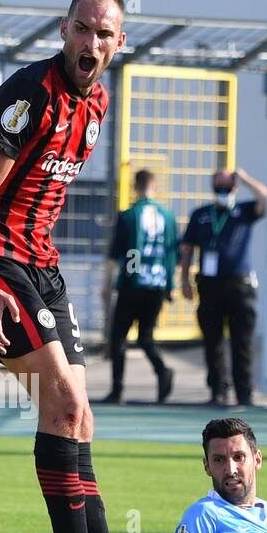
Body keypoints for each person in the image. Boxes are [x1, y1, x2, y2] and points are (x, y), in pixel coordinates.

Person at [0, 0, 190, 533]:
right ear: (64, 30)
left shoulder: (98, 103)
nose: (91, 43)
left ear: (119, 43)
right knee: (64, 401)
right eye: (82, 29)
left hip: (43, 266)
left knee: (81, 416)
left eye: (104, 35)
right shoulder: (32, 94)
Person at [178, 168, 267, 407]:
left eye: (227, 189)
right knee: (213, 343)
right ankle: (218, 390)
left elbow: (265, 198)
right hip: (210, 287)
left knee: (242, 343)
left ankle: (244, 393)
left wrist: (245, 177)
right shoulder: (201, 215)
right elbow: (187, 249)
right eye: (219, 189)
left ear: (234, 189)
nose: (222, 193)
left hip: (239, 286)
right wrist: (184, 280)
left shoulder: (244, 211)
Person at [100, 169, 177, 405]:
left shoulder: (129, 216)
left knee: (118, 337)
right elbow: (172, 254)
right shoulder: (168, 217)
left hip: (132, 283)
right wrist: (169, 285)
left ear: (135, 187)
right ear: (154, 187)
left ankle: (117, 390)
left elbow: (115, 256)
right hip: (157, 283)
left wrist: (107, 285)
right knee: (146, 336)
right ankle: (163, 370)